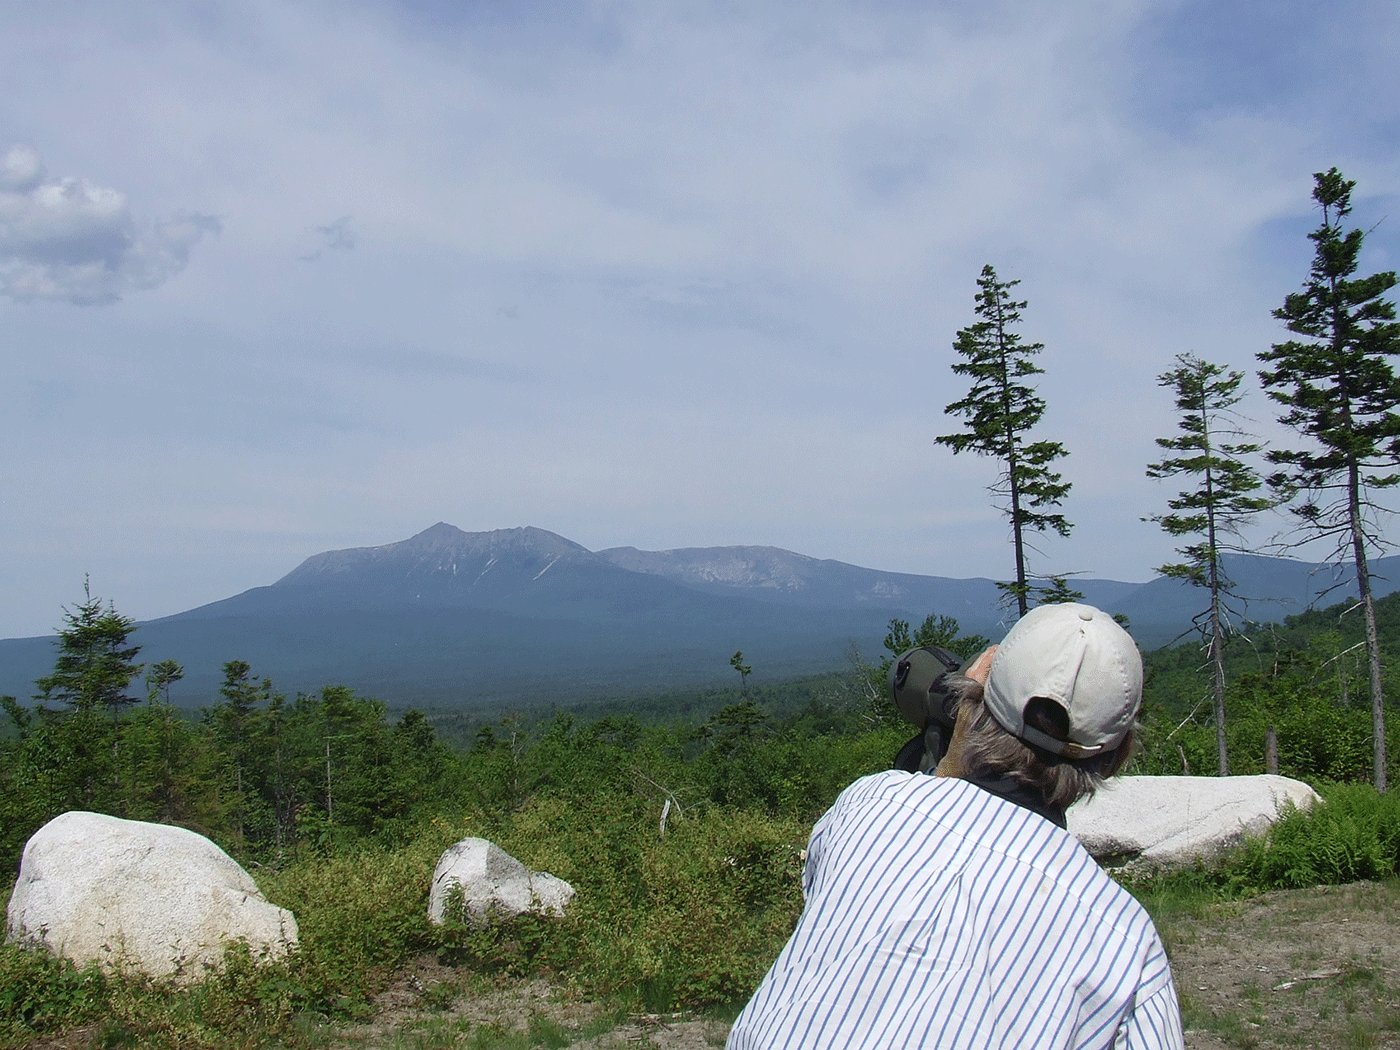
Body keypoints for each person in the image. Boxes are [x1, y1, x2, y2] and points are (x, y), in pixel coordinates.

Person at [726, 602, 1184, 1050]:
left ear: (973, 696)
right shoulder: (1125, 944)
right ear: (1118, 755)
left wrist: (956, 742)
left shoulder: (868, 806)